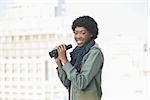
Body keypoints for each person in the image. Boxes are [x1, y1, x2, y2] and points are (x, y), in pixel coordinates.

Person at [54, 15, 104, 100]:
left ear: (91, 33)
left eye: (83, 33)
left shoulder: (94, 53)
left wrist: (65, 60)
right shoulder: (76, 54)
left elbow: (81, 83)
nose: (78, 36)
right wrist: (59, 62)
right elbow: (68, 83)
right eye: (75, 33)